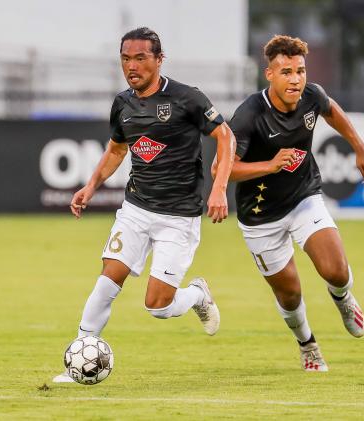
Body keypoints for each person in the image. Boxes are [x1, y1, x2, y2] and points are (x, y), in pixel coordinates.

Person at [54, 27, 235, 382]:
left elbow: (225, 136)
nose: (131, 66)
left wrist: (219, 189)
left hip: (178, 218)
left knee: (158, 307)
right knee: (108, 278)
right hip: (136, 209)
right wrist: (90, 186)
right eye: (125, 59)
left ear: (159, 59)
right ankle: (82, 352)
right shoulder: (123, 103)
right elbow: (117, 149)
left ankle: (197, 295)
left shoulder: (188, 98)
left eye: (140, 58)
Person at [214, 35, 364, 372]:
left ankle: (344, 299)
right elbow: (221, 168)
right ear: (269, 75)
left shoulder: (311, 96)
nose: (296, 79)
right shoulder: (249, 114)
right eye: (286, 72)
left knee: (336, 269)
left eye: (300, 71)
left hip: (303, 197)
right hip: (260, 217)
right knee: (289, 295)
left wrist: (360, 147)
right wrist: (270, 165)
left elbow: (332, 110)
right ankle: (308, 345)